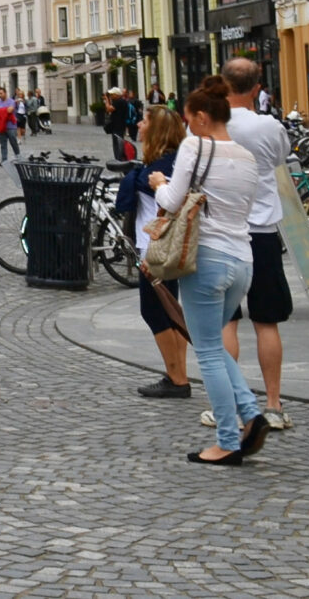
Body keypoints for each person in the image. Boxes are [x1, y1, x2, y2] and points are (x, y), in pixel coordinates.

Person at [150, 78, 272, 465]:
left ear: (202, 117)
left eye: (189, 120)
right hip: (242, 260)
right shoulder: (247, 156)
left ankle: (226, 439)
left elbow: (172, 200)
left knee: (207, 350)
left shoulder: (195, 146)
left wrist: (158, 183)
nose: (187, 127)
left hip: (207, 259)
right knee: (216, 345)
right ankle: (252, 415)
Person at [213, 57, 293, 432]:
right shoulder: (268, 127)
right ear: (257, 88)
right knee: (267, 321)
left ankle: (225, 402)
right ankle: (273, 403)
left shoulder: (208, 123)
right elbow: (279, 159)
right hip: (261, 231)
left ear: (223, 84)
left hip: (222, 233)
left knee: (226, 321)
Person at [119, 107, 193, 399]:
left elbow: (160, 209)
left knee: (153, 310)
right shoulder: (178, 163)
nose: (139, 123)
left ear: (157, 131)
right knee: (170, 308)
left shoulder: (153, 173)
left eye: (145, 120)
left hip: (155, 248)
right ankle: (178, 373)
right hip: (169, 248)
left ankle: (177, 378)